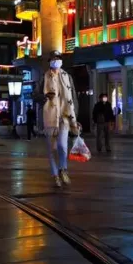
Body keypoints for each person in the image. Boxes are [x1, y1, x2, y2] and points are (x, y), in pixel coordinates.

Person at [42, 51, 77, 180]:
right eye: (53, 58)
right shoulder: (44, 77)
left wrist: (75, 117)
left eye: (58, 58)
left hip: (65, 116)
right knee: (52, 149)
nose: (56, 60)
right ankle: (55, 174)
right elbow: (35, 95)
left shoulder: (67, 76)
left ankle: (63, 169)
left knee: (62, 146)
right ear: (49, 61)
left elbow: (73, 97)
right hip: (50, 116)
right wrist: (44, 96)